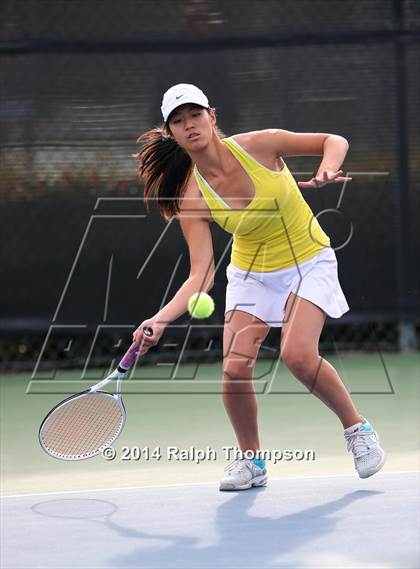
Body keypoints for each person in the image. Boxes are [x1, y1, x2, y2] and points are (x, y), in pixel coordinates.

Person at [132, 83, 385, 491]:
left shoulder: (260, 146)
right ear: (172, 134)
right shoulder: (191, 196)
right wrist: (159, 320)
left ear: (212, 117)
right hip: (251, 273)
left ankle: (357, 430)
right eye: (178, 121)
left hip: (308, 259)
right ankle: (252, 463)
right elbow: (201, 275)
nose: (190, 125)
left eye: (195, 115)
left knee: (299, 356)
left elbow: (332, 140)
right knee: (233, 370)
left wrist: (326, 169)